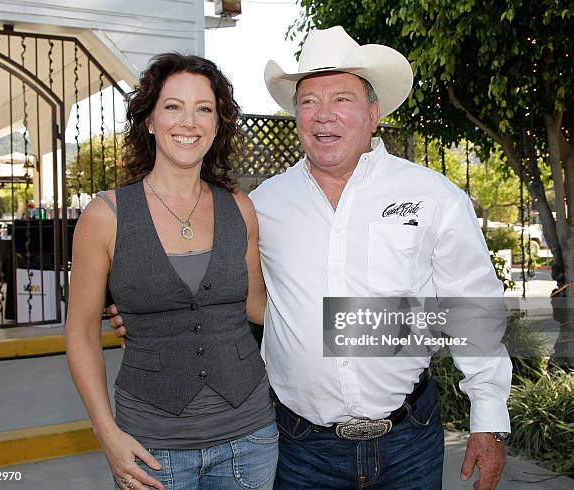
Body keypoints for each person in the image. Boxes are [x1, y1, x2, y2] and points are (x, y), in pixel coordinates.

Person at [110, 27, 512, 489]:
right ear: (295, 114)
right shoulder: (262, 204)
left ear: (373, 114)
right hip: (300, 448)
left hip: (409, 442)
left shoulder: (433, 197)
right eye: (308, 101)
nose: (323, 116)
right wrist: (147, 315)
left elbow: (473, 309)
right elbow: (214, 285)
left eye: (341, 99)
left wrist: (488, 417)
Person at [66, 53, 277, 490]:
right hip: (151, 447)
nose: (189, 122)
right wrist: (108, 434)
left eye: (204, 108)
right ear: (148, 120)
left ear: (217, 124)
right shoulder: (106, 215)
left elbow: (259, 307)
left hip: (251, 438)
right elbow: (81, 333)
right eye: (173, 106)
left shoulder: (239, 207)